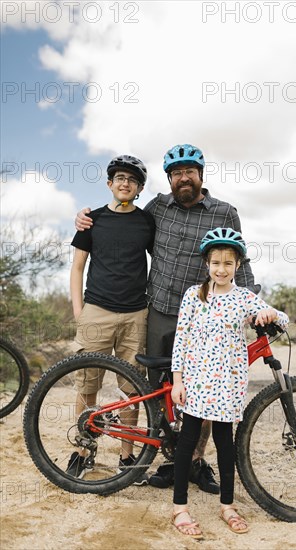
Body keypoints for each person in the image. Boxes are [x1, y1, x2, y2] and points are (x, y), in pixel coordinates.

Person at [75, 144, 260, 493]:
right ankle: (170, 459)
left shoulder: (225, 212)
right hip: (158, 309)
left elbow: (242, 264)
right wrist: (86, 218)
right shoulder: (157, 207)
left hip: (205, 314)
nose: (183, 177)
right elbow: (122, 219)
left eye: (189, 171)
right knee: (162, 389)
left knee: (204, 389)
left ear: (201, 175)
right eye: (176, 173)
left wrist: (253, 305)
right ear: (169, 179)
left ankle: (195, 462)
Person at [170, 227, 289, 538]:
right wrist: (177, 380)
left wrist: (266, 312)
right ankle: (180, 508)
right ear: (207, 264)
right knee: (188, 442)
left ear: (238, 265)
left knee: (225, 443)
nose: (221, 269)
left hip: (228, 383)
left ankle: (227, 504)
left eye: (228, 263)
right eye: (215, 262)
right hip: (196, 381)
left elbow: (282, 318)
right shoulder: (194, 296)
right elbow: (181, 340)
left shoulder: (243, 298)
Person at [68, 155, 155, 483]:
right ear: (109, 183)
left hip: (135, 313)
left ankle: (127, 457)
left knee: (131, 389)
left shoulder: (147, 222)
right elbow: (77, 267)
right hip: (97, 310)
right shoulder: (93, 219)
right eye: (119, 178)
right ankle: (83, 450)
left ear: (139, 188)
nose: (124, 183)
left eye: (132, 180)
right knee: (87, 384)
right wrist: (80, 313)